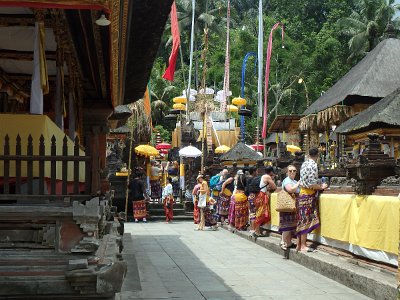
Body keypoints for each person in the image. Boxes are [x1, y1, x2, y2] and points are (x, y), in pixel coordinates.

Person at [296, 147, 328, 252]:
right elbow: (312, 184)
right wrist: (322, 186)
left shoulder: (304, 164)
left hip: (301, 194)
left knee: (301, 220)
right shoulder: (313, 165)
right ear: (318, 155)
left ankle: (299, 244)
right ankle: (303, 245)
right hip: (308, 195)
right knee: (305, 220)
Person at [279, 165, 301, 250]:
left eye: (294, 170)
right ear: (287, 172)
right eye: (290, 171)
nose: (292, 172)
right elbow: (291, 190)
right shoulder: (287, 180)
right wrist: (298, 184)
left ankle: (288, 243)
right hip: (287, 205)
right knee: (287, 224)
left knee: (291, 224)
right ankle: (282, 242)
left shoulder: (294, 181)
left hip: (292, 205)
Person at [253, 166, 276, 237]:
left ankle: (257, 231)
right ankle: (256, 232)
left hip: (259, 195)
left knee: (260, 212)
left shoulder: (263, 176)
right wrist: (273, 178)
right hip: (262, 196)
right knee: (261, 213)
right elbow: (274, 187)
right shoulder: (267, 177)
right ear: (271, 172)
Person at [245, 167, 257, 233]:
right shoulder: (253, 179)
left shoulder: (248, 179)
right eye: (256, 171)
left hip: (249, 196)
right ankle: (254, 228)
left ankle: (252, 228)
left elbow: (246, 189)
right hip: (254, 196)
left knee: (251, 212)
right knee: (254, 212)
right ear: (254, 172)